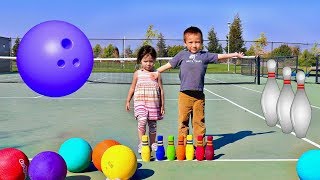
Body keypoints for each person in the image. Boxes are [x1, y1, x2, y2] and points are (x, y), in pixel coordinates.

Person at [152, 26, 244, 145]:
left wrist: (235, 54)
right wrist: (156, 72)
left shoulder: (204, 56)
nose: (194, 45)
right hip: (184, 95)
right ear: (185, 43)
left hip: (199, 97)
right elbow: (169, 65)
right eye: (190, 42)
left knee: (199, 122)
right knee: (183, 122)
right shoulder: (181, 55)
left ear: (201, 43)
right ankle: (183, 145)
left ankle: (200, 146)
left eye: (197, 42)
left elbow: (219, 56)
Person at [126, 45, 165, 153]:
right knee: (142, 121)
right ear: (140, 61)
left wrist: (162, 105)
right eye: (145, 61)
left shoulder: (157, 74)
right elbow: (132, 88)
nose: (148, 64)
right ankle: (142, 143)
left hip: (154, 104)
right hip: (140, 103)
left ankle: (152, 143)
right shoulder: (137, 74)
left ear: (154, 61)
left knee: (152, 125)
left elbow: (161, 90)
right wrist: (128, 100)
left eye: (151, 61)